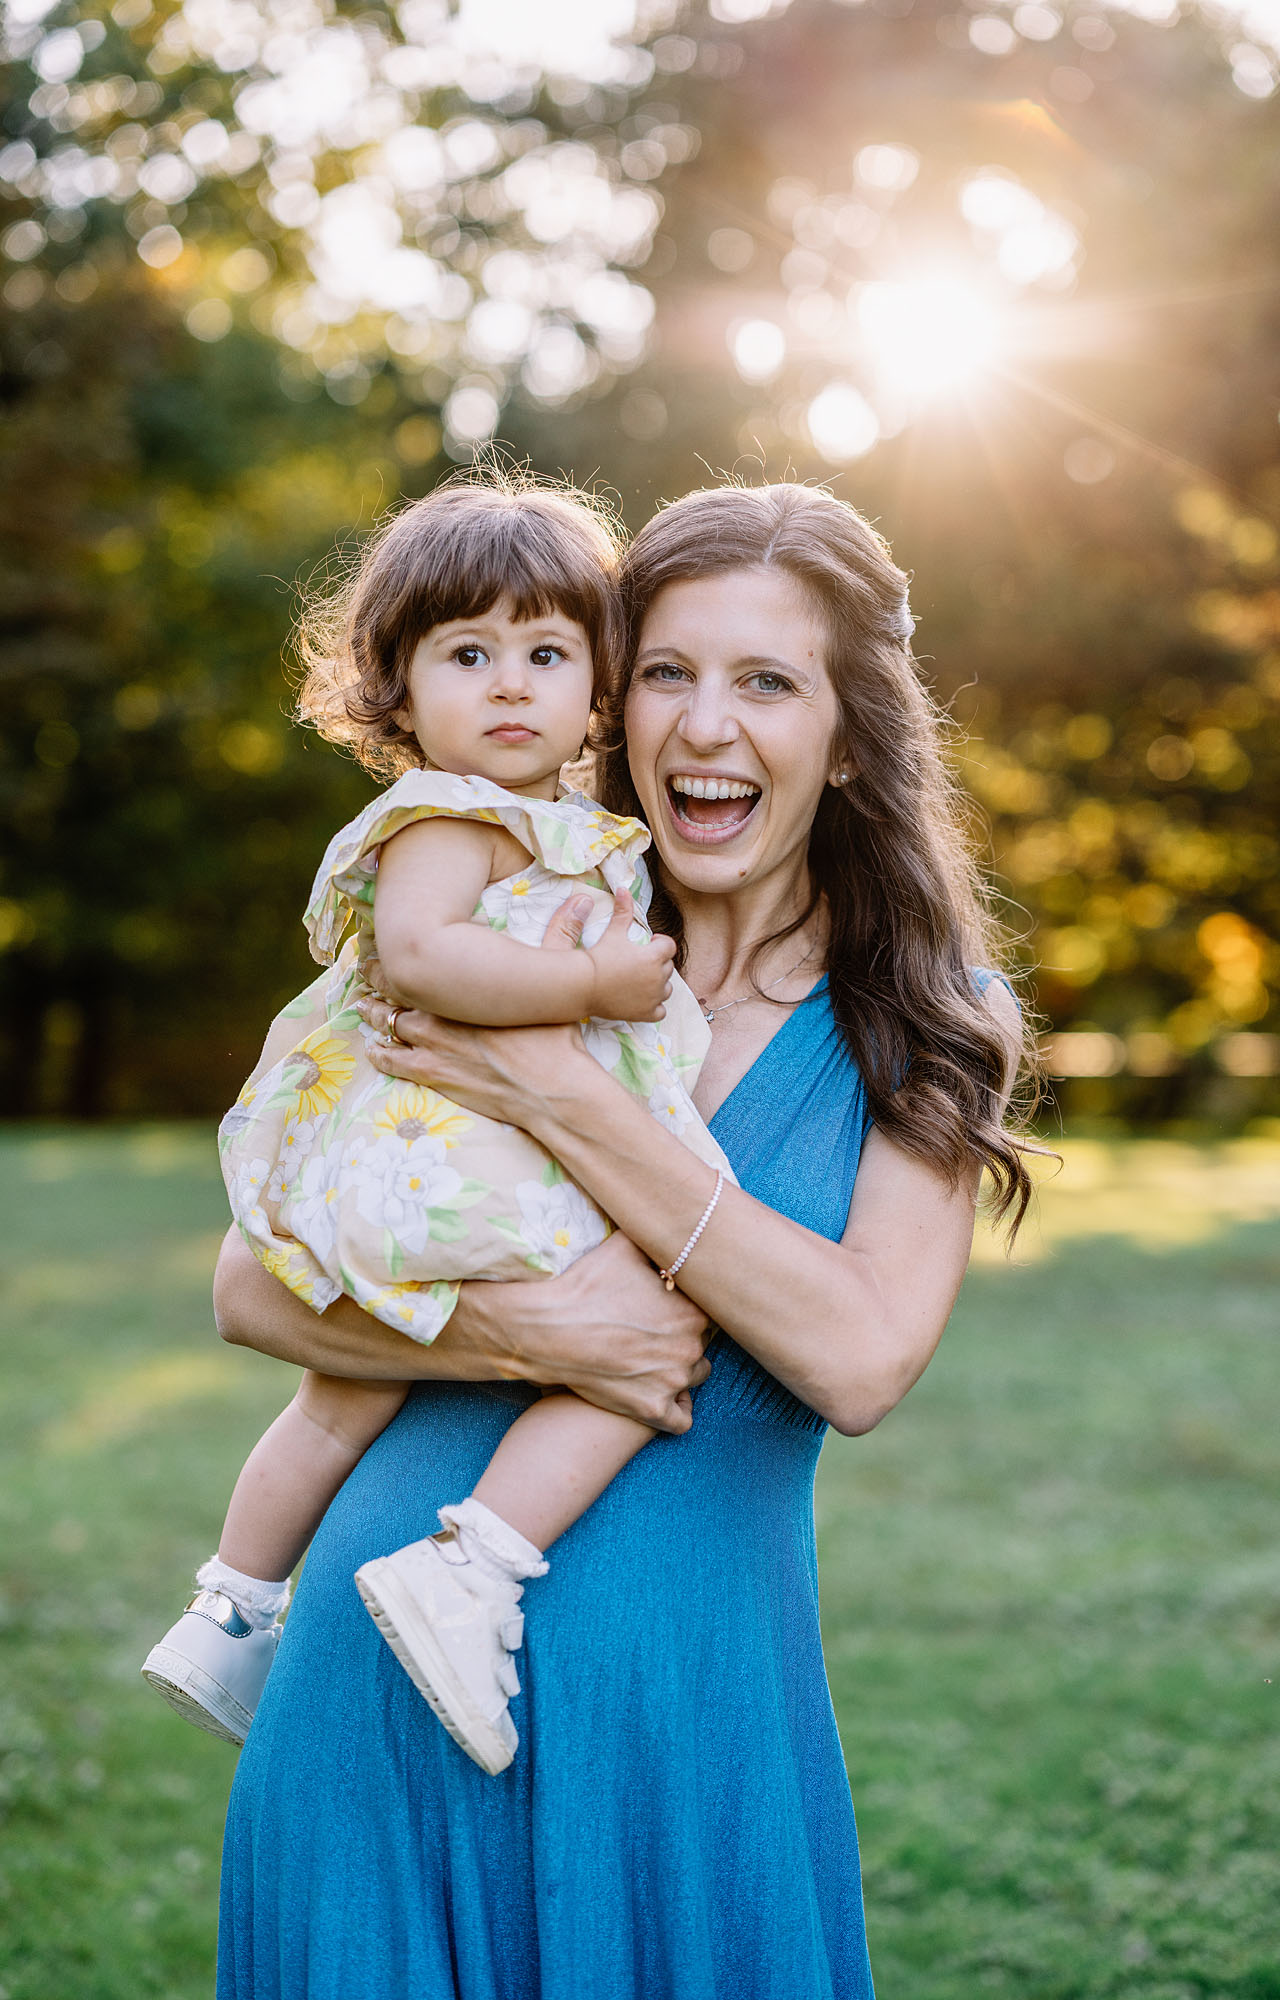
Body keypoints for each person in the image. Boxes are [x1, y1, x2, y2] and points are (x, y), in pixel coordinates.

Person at [211, 481, 1032, 1999]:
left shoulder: (922, 1018)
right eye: (668, 671)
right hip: (370, 1714)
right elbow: (254, 1282)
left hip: (687, 1741)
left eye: (766, 682)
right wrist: (535, 1335)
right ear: (610, 697)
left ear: (846, 736)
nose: (704, 727)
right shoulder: (496, 925)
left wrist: (558, 1093)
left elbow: (855, 1356)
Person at [142, 476, 735, 1775]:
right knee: (657, 1326)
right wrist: (591, 984)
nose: (510, 685)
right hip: (447, 1150)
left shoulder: (561, 827)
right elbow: (418, 957)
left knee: (343, 1396)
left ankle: (231, 1606)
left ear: (596, 687)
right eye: (469, 654)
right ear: (397, 694)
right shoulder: (448, 816)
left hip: (449, 1148)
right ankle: (478, 1564)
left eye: (545, 653)